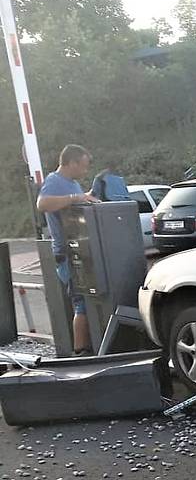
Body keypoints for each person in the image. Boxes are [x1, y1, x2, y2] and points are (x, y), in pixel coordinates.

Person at [36, 144, 100, 356]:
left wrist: (88, 198)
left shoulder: (72, 184)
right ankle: (80, 351)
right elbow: (42, 204)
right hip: (67, 254)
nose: (85, 171)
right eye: (82, 166)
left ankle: (89, 346)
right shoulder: (54, 181)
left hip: (79, 251)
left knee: (87, 299)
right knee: (80, 301)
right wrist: (76, 198)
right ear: (71, 163)